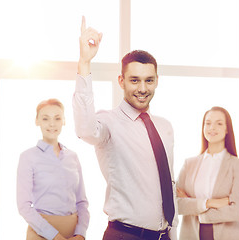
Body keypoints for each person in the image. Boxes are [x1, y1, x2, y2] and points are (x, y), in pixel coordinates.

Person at [73, 16, 177, 240]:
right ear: (121, 81)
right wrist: (84, 63)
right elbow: (84, 129)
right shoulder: (109, 122)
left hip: (164, 235)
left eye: (149, 80)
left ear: (157, 81)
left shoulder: (165, 127)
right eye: (134, 80)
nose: (142, 88)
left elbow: (168, 185)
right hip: (125, 235)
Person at [17, 98, 89, 240]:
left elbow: (82, 202)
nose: (52, 124)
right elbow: (24, 206)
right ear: (37, 121)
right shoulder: (28, 157)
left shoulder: (72, 157)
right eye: (45, 119)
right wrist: (54, 236)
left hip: (73, 234)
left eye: (57, 118)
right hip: (40, 233)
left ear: (64, 121)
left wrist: (81, 234)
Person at [176, 106, 239, 240]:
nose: (212, 128)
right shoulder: (188, 164)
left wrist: (196, 209)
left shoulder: (238, 165)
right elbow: (176, 204)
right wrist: (209, 203)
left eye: (219, 123)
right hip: (191, 235)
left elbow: (236, 211)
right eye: (208, 123)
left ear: (227, 129)